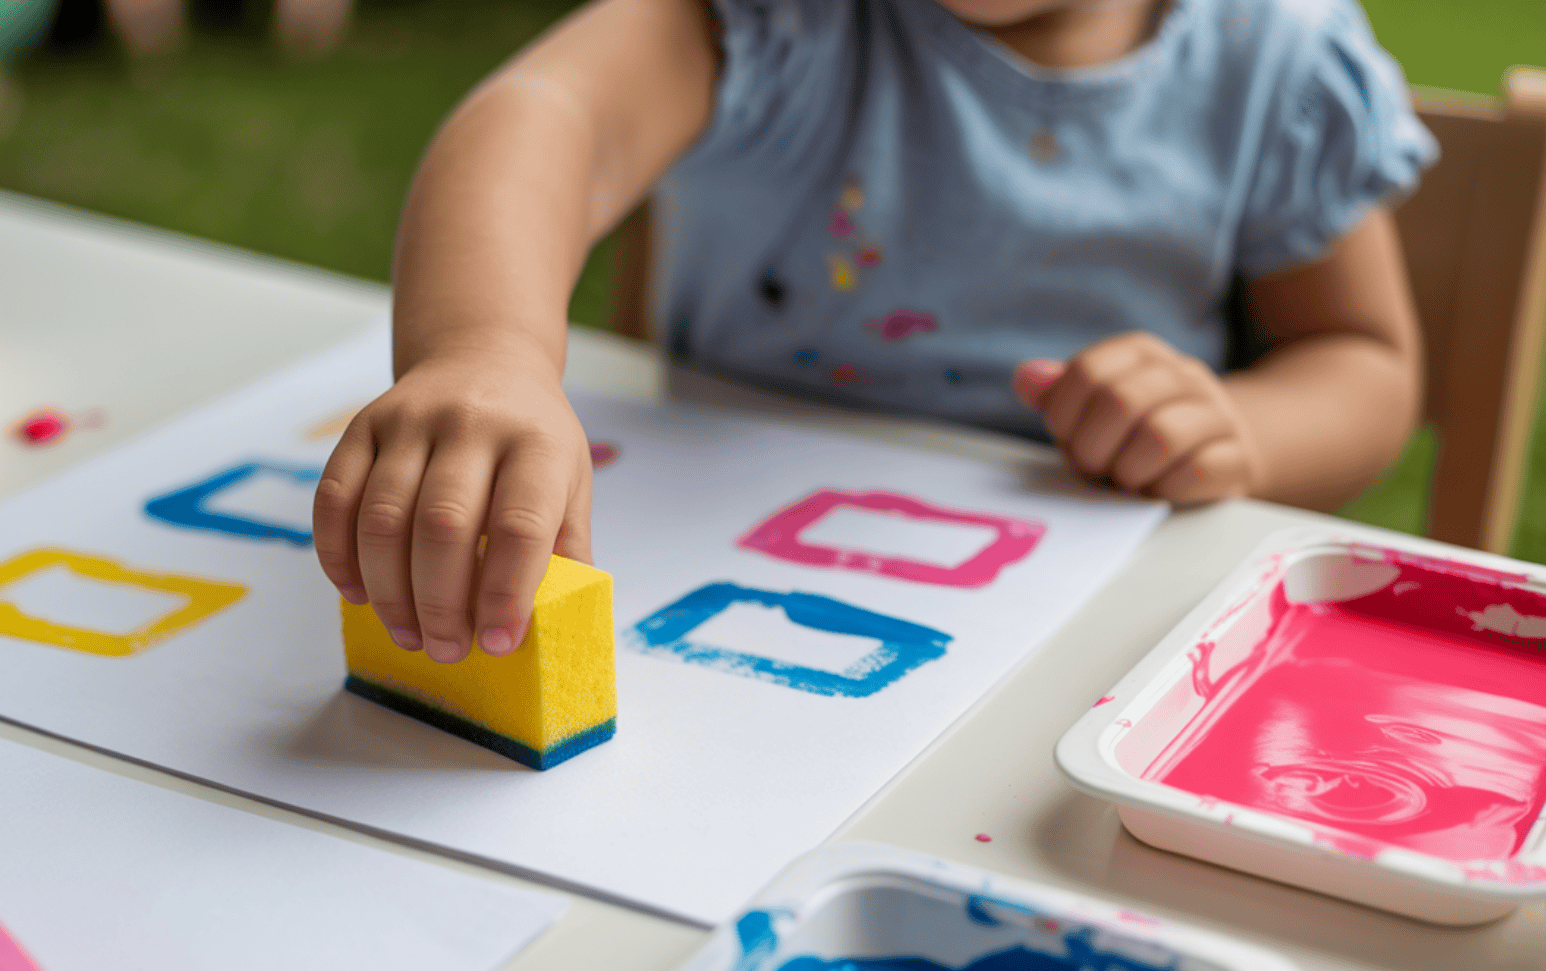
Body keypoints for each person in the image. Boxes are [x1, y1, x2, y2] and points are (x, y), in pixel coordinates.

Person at [312, 0, 1438, 666]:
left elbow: (1364, 366)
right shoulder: (780, 18)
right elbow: (550, 115)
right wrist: (485, 352)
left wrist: (1238, 425)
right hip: (704, 582)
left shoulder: (1277, 56)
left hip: (1084, 645)